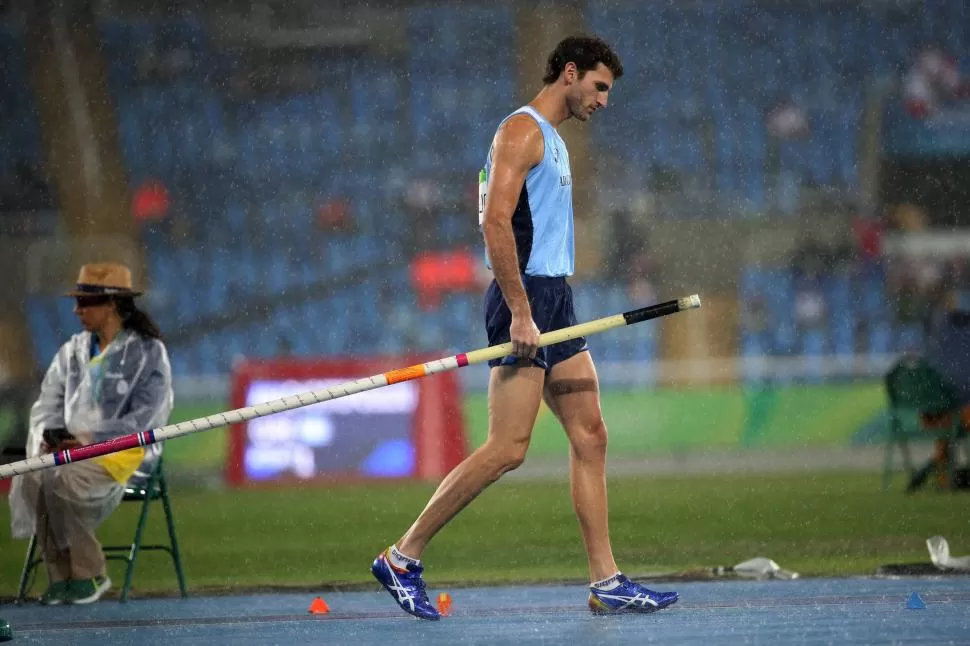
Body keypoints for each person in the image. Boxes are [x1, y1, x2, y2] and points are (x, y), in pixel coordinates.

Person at [371, 35, 679, 620]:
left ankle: (606, 581)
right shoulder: (522, 131)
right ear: (570, 72)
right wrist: (519, 311)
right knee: (508, 448)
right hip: (526, 299)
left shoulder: (556, 141)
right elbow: (494, 225)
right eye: (600, 87)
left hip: (555, 298)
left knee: (592, 435)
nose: (604, 102)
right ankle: (402, 556)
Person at [8, 262, 174, 605]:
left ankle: (91, 571)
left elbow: (147, 417)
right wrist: (49, 434)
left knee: (62, 479)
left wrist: (89, 438)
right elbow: (48, 402)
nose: (76, 310)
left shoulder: (148, 352)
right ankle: (61, 576)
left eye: (85, 302)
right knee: (32, 477)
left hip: (124, 453)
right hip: (72, 451)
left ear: (111, 303)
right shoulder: (72, 352)